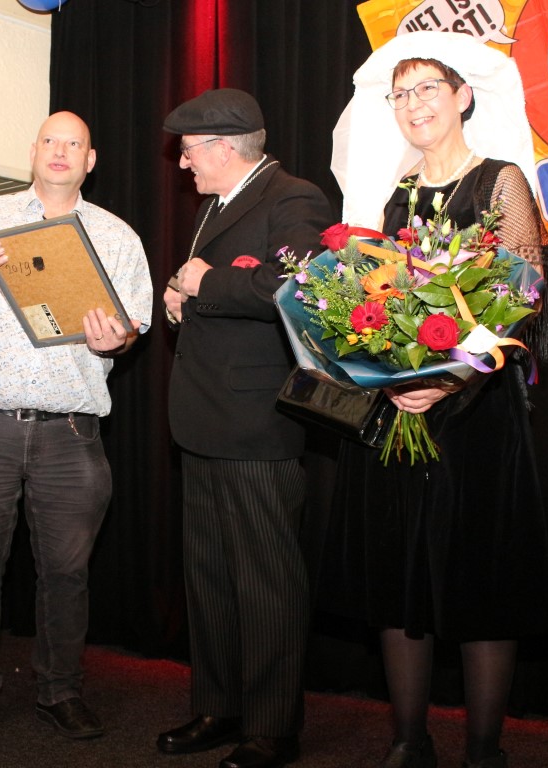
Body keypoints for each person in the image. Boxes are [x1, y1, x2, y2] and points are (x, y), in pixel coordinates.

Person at [327, 32, 548, 768]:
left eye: (428, 87)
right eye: (401, 94)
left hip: (477, 412)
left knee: (482, 579)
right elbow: (377, 303)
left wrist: (450, 379)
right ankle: (408, 741)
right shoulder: (395, 196)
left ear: (462, 97)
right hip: (402, 408)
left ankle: (483, 751)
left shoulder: (500, 181)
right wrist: (390, 371)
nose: (413, 104)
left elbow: (522, 297)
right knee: (401, 574)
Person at [0, 110, 152, 744]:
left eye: (74, 143)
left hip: (70, 434)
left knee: (67, 575)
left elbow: (132, 328)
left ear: (90, 160)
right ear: (33, 151)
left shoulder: (117, 236)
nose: (60, 151)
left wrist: (117, 340)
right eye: (51, 140)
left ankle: (60, 691)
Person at [156, 89, 333, 768]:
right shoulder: (218, 203)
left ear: (224, 148)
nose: (183, 165)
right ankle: (219, 706)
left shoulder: (293, 197)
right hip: (203, 420)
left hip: (257, 425)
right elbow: (215, 288)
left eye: (189, 152)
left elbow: (303, 290)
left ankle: (272, 727)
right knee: (210, 577)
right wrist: (183, 295)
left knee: (265, 581)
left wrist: (206, 286)